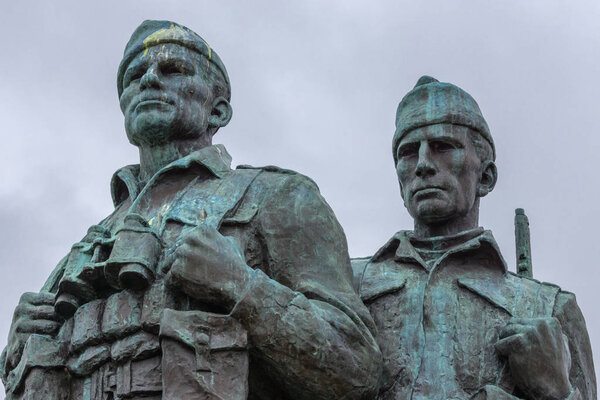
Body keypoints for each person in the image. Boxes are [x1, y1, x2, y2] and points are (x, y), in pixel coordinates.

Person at [1, 20, 381, 400]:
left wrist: (242, 287)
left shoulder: (278, 197)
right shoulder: (86, 247)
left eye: (173, 70)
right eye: (135, 75)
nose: (149, 80)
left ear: (217, 111)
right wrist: (14, 351)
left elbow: (356, 370)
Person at [352, 76, 596, 400]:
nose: (423, 164)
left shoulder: (550, 308)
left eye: (443, 147)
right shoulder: (349, 282)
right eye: (408, 152)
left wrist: (557, 391)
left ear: (486, 176)